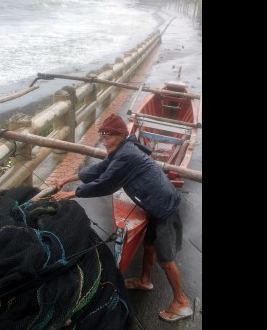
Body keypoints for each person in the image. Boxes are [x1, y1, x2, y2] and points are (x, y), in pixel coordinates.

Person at [53, 114, 192, 322]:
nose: (104, 141)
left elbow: (105, 183)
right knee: (149, 245)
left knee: (167, 258)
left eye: (108, 136)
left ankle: (181, 302)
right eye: (102, 137)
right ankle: (144, 280)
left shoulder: (127, 155)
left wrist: (72, 193)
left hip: (164, 208)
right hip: (153, 206)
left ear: (121, 135)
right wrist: (67, 178)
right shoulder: (120, 150)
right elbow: (98, 169)